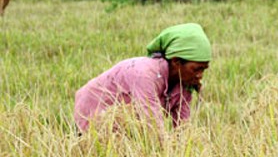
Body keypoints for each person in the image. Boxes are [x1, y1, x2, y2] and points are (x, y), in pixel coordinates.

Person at [74, 23, 211, 132]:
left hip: (126, 124)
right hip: (94, 111)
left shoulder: (184, 84)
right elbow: (153, 126)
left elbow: (182, 127)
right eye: (196, 69)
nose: (200, 76)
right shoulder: (145, 74)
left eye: (204, 69)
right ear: (176, 61)